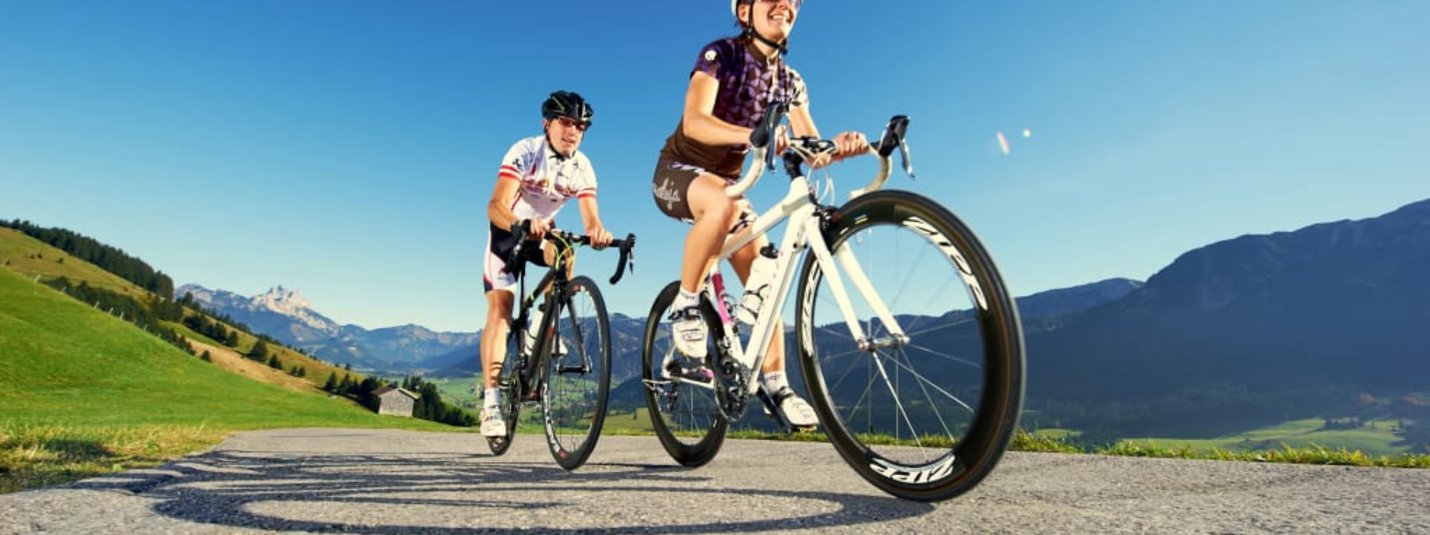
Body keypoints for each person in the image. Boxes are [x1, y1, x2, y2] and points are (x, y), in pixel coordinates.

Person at [649, 0, 867, 428]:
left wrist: (839, 148)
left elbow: (811, 147)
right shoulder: (720, 55)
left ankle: (775, 382)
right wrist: (753, 135)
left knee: (766, 279)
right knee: (724, 201)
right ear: (745, 10)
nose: (784, 3)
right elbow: (694, 122)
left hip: (729, 187)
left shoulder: (790, 81)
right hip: (677, 173)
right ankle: (687, 304)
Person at [481, 90, 613, 437]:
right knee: (500, 312)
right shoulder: (525, 151)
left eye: (581, 126)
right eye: (566, 122)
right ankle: (491, 402)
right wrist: (520, 224)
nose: (573, 131)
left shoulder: (582, 167)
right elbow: (495, 205)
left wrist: (599, 233)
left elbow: (591, 219)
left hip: (544, 235)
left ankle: (539, 330)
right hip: (509, 234)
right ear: (547, 124)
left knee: (567, 252)